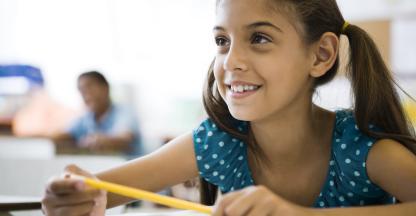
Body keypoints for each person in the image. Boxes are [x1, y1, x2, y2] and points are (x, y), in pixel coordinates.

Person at [41, 0, 416, 215]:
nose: (230, 61)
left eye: (259, 38)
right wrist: (75, 193)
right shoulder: (222, 141)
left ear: (321, 55)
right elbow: (104, 188)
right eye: (222, 40)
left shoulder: (359, 148)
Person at [52, 71, 143, 158]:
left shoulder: (125, 112)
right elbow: (64, 134)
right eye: (81, 90)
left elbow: (124, 137)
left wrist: (101, 140)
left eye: (90, 87)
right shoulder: (85, 119)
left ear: (106, 88)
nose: (86, 95)